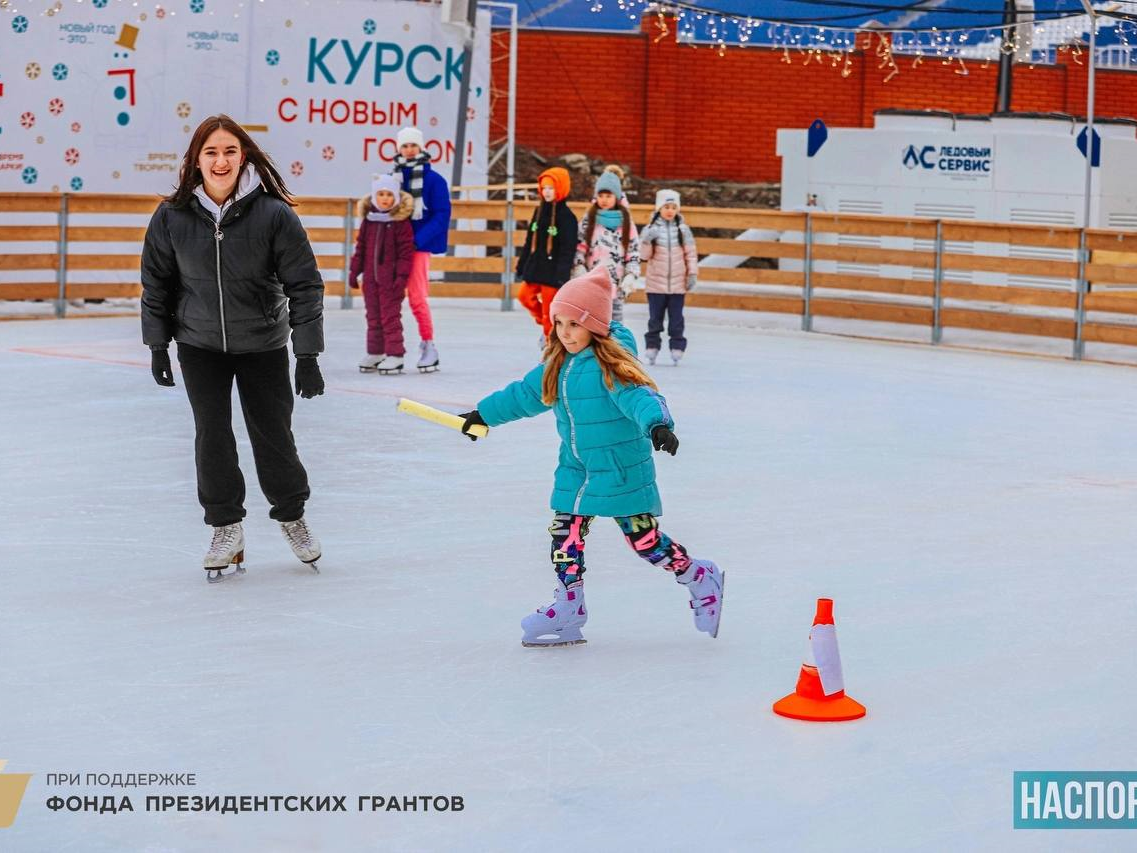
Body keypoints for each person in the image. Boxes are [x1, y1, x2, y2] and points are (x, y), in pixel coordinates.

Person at [457, 267, 725, 646]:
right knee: (564, 535)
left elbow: (640, 397)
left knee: (645, 542)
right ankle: (570, 608)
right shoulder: (557, 364)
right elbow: (522, 395)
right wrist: (483, 414)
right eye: (559, 323)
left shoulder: (612, 367)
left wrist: (658, 425)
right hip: (576, 469)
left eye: (574, 325)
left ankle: (698, 576)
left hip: (620, 471)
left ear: (596, 326)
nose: (565, 333)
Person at [140, 114, 325, 582]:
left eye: (229, 151)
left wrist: (307, 355)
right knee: (212, 436)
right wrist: (158, 345)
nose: (221, 161)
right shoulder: (172, 216)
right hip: (199, 344)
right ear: (196, 160)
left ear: (243, 156)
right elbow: (155, 285)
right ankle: (226, 528)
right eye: (211, 152)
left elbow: (304, 285)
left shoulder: (273, 213)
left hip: (261, 343)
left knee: (273, 435)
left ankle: (291, 515)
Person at [391, 126, 450, 373]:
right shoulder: (393, 177)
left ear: (421, 147)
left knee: (416, 297)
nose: (409, 150)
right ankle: (388, 347)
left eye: (413, 145)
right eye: (404, 146)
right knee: (389, 296)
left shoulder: (434, 180)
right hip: (393, 246)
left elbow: (442, 214)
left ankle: (428, 345)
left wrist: (417, 240)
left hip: (417, 247)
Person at [350, 173, 416, 374]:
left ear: (395, 197)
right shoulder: (369, 221)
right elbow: (360, 249)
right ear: (374, 196)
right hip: (370, 280)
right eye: (381, 194)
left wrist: (401, 278)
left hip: (391, 281)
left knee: (390, 317)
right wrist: (354, 272)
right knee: (373, 317)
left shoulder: (400, 223)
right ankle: (376, 352)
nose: (385, 198)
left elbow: (406, 253)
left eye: (389, 194)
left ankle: (395, 355)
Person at [515, 167, 578, 349]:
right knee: (524, 296)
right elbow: (530, 240)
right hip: (536, 268)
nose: (546, 192)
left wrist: (561, 275)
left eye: (551, 188)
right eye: (544, 188)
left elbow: (568, 249)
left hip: (553, 273)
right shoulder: (539, 211)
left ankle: (551, 347)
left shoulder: (567, 218)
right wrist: (522, 264)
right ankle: (545, 327)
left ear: (561, 189)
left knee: (549, 312)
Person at [572, 165, 641, 325]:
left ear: (616, 197)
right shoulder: (589, 220)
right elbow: (580, 246)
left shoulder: (626, 223)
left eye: (608, 195)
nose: (604, 199)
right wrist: (579, 266)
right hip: (591, 283)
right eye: (601, 195)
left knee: (614, 325)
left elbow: (633, 251)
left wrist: (631, 274)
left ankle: (615, 350)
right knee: (590, 322)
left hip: (615, 285)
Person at [639, 189, 698, 365]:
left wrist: (692, 273)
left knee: (676, 320)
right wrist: (647, 240)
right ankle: (652, 346)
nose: (670, 211)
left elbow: (691, 254)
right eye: (666, 207)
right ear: (659, 208)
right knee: (655, 319)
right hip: (655, 285)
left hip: (678, 285)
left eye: (673, 207)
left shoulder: (683, 230)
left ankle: (677, 346)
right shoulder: (650, 230)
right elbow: (643, 256)